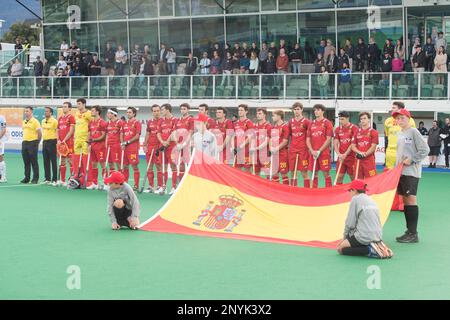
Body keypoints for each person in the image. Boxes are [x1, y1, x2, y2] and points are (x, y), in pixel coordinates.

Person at [394, 109, 430, 243]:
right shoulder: (400, 133)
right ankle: (409, 231)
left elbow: (425, 150)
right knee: (405, 201)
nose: (399, 121)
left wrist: (412, 159)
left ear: (408, 118)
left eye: (402, 118)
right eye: (397, 119)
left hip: (411, 173)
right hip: (401, 172)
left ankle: (413, 234)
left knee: (411, 200)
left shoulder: (414, 131)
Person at [337, 180, 393, 259]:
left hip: (364, 236)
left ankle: (369, 250)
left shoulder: (355, 199)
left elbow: (350, 223)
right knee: (353, 240)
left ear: (354, 190)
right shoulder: (371, 200)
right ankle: (376, 245)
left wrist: (344, 238)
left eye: (350, 190)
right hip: (378, 235)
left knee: (340, 249)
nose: (349, 193)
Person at [306, 104, 334, 188]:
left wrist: (319, 151)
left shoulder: (327, 123)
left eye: (318, 110)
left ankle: (328, 190)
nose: (316, 112)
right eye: (315, 110)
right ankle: (314, 191)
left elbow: (328, 139)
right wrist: (312, 150)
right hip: (313, 153)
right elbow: (308, 139)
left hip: (323, 153)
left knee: (326, 173)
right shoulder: (311, 123)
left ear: (323, 111)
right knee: (314, 173)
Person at [172, 103, 194, 194]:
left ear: (188, 110)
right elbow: (175, 132)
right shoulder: (178, 120)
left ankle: (190, 185)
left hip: (187, 145)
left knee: (189, 165)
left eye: (184, 109)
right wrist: (177, 143)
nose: (183, 110)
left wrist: (185, 143)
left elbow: (190, 132)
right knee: (181, 165)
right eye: (181, 109)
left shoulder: (191, 119)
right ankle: (181, 185)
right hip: (179, 145)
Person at [288, 102, 311, 187]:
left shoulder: (307, 122)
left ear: (302, 110)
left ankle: (307, 191)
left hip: (303, 150)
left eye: (298, 109)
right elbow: (289, 136)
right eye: (295, 109)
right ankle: (294, 190)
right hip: (293, 149)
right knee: (293, 172)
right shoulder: (291, 122)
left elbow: (310, 136)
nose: (296, 111)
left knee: (304, 172)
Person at [157, 104, 178, 195]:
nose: (161, 111)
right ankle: (163, 187)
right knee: (163, 167)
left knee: (173, 166)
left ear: (168, 110)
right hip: (163, 146)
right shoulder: (161, 121)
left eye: (162, 110)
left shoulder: (175, 120)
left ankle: (174, 187)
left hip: (172, 147)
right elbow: (158, 133)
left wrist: (167, 142)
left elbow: (174, 132)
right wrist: (162, 141)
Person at [351, 112, 378, 180]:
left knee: (371, 180)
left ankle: (371, 191)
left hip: (369, 160)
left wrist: (364, 154)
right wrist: (359, 153)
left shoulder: (374, 132)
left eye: (364, 118)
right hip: (358, 159)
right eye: (361, 119)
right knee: (358, 180)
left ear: (369, 119)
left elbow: (373, 147)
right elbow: (353, 146)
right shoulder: (356, 132)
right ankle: (360, 191)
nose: (362, 120)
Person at [120, 107, 142, 191]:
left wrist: (127, 142)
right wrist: (122, 143)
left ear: (134, 114)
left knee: (134, 166)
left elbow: (137, 136)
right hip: (125, 148)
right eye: (127, 112)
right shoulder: (124, 123)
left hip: (133, 148)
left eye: (130, 112)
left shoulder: (137, 123)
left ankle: (136, 185)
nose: (128, 114)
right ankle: (125, 184)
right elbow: (121, 134)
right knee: (125, 166)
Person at [334, 111, 358, 184]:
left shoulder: (354, 128)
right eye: (340, 119)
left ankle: (355, 193)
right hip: (341, 157)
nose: (341, 121)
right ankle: (339, 193)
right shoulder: (337, 129)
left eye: (342, 119)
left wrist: (345, 154)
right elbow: (335, 143)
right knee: (339, 177)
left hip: (351, 157)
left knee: (353, 177)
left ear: (348, 118)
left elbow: (352, 143)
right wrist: (339, 154)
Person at [143, 105, 163, 193]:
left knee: (159, 166)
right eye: (154, 111)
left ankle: (160, 186)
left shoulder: (163, 121)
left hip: (159, 147)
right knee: (149, 166)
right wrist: (145, 145)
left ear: (160, 111)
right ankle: (151, 186)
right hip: (150, 147)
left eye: (158, 111)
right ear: (152, 112)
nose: (156, 113)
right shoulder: (150, 122)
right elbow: (147, 134)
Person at [86, 106, 107, 190]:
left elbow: (103, 136)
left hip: (100, 146)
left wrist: (93, 139)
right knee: (93, 164)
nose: (91, 112)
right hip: (92, 146)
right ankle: (94, 183)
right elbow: (89, 133)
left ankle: (106, 183)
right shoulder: (90, 122)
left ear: (97, 112)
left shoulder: (102, 122)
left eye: (93, 110)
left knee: (103, 165)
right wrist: (88, 143)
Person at [56, 102, 75, 186]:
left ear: (70, 108)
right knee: (62, 161)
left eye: (65, 107)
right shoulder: (60, 118)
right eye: (63, 107)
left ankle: (71, 180)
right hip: (61, 143)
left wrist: (64, 140)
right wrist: (58, 140)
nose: (63, 108)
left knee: (70, 161)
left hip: (69, 143)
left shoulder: (71, 117)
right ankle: (62, 180)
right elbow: (57, 130)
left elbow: (71, 131)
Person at [21, 107, 42, 184]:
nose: (26, 112)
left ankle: (35, 178)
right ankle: (26, 178)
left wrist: (37, 142)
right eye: (25, 111)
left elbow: (39, 133)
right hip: (24, 142)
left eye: (27, 111)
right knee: (26, 162)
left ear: (31, 112)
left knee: (34, 161)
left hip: (33, 142)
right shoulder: (24, 121)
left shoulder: (35, 121)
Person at [269, 110, 290, 185]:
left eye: (273, 115)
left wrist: (276, 149)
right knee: (274, 174)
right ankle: (276, 191)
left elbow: (285, 141)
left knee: (283, 173)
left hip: (282, 154)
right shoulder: (273, 127)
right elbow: (270, 139)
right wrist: (271, 147)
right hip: (274, 154)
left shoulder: (285, 126)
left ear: (279, 116)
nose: (272, 117)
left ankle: (287, 191)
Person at [233, 104, 255, 172]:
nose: (240, 112)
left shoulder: (249, 122)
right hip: (238, 151)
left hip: (246, 151)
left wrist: (241, 146)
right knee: (236, 171)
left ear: (246, 111)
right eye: (239, 110)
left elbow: (250, 137)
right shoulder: (236, 123)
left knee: (247, 172)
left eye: (241, 110)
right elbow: (234, 137)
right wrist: (234, 147)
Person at [251, 108, 271, 177]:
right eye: (257, 113)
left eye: (260, 113)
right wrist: (253, 147)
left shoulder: (268, 126)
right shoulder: (254, 126)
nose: (258, 115)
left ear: (264, 115)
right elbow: (253, 138)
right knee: (256, 173)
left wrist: (257, 148)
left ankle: (268, 187)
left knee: (267, 173)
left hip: (264, 153)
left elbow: (267, 140)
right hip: (256, 153)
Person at [41, 107, 58, 185]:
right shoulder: (43, 121)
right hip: (44, 142)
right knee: (45, 161)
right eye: (45, 111)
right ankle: (47, 178)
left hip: (52, 142)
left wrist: (57, 142)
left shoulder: (54, 121)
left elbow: (57, 131)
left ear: (51, 113)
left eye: (47, 111)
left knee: (53, 161)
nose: (45, 113)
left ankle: (54, 179)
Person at [105, 108, 123, 176]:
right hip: (109, 146)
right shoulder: (108, 123)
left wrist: (122, 144)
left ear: (113, 114)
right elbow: (106, 134)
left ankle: (120, 179)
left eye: (109, 113)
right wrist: (106, 144)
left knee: (118, 163)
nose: (107, 114)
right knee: (110, 163)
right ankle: (112, 179)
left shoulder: (120, 122)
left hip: (117, 146)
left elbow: (122, 134)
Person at [0, 114, 7, 183]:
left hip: (0, 140)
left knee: (0, 157)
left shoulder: (2, 117)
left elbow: (4, 129)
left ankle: (3, 176)